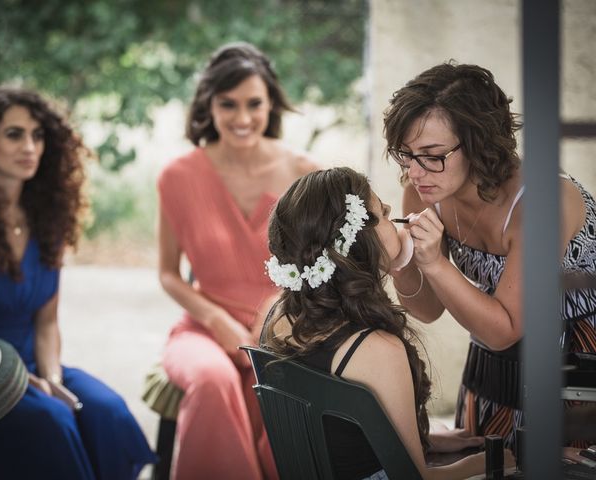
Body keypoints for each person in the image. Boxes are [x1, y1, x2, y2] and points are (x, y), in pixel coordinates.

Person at [383, 61, 596, 449]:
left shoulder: (544, 200)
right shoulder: (425, 189)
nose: (415, 172)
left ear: (478, 142)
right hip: (496, 359)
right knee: (490, 459)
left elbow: (506, 328)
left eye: (431, 154)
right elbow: (427, 309)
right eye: (406, 154)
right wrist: (399, 261)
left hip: (580, 358)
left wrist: (433, 262)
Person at [261, 167, 514, 480]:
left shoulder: (279, 318)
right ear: (359, 239)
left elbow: (337, 433)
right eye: (382, 211)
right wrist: (486, 462)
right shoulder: (375, 349)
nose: (394, 215)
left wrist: (425, 440)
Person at [0, 86, 156, 480]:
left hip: (36, 358)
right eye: (14, 134)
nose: (29, 146)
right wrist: (24, 382)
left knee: (108, 411)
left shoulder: (47, 219)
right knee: (53, 421)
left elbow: (47, 321)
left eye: (38, 135)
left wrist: (51, 378)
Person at [157, 41, 317, 479]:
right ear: (209, 105)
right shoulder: (177, 177)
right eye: (228, 104)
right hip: (202, 333)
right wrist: (213, 319)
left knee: (285, 391)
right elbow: (169, 274)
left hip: (283, 333)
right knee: (212, 380)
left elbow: (322, 271)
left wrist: (278, 311)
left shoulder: (304, 173)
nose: (242, 118)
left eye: (254, 104)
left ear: (271, 105)